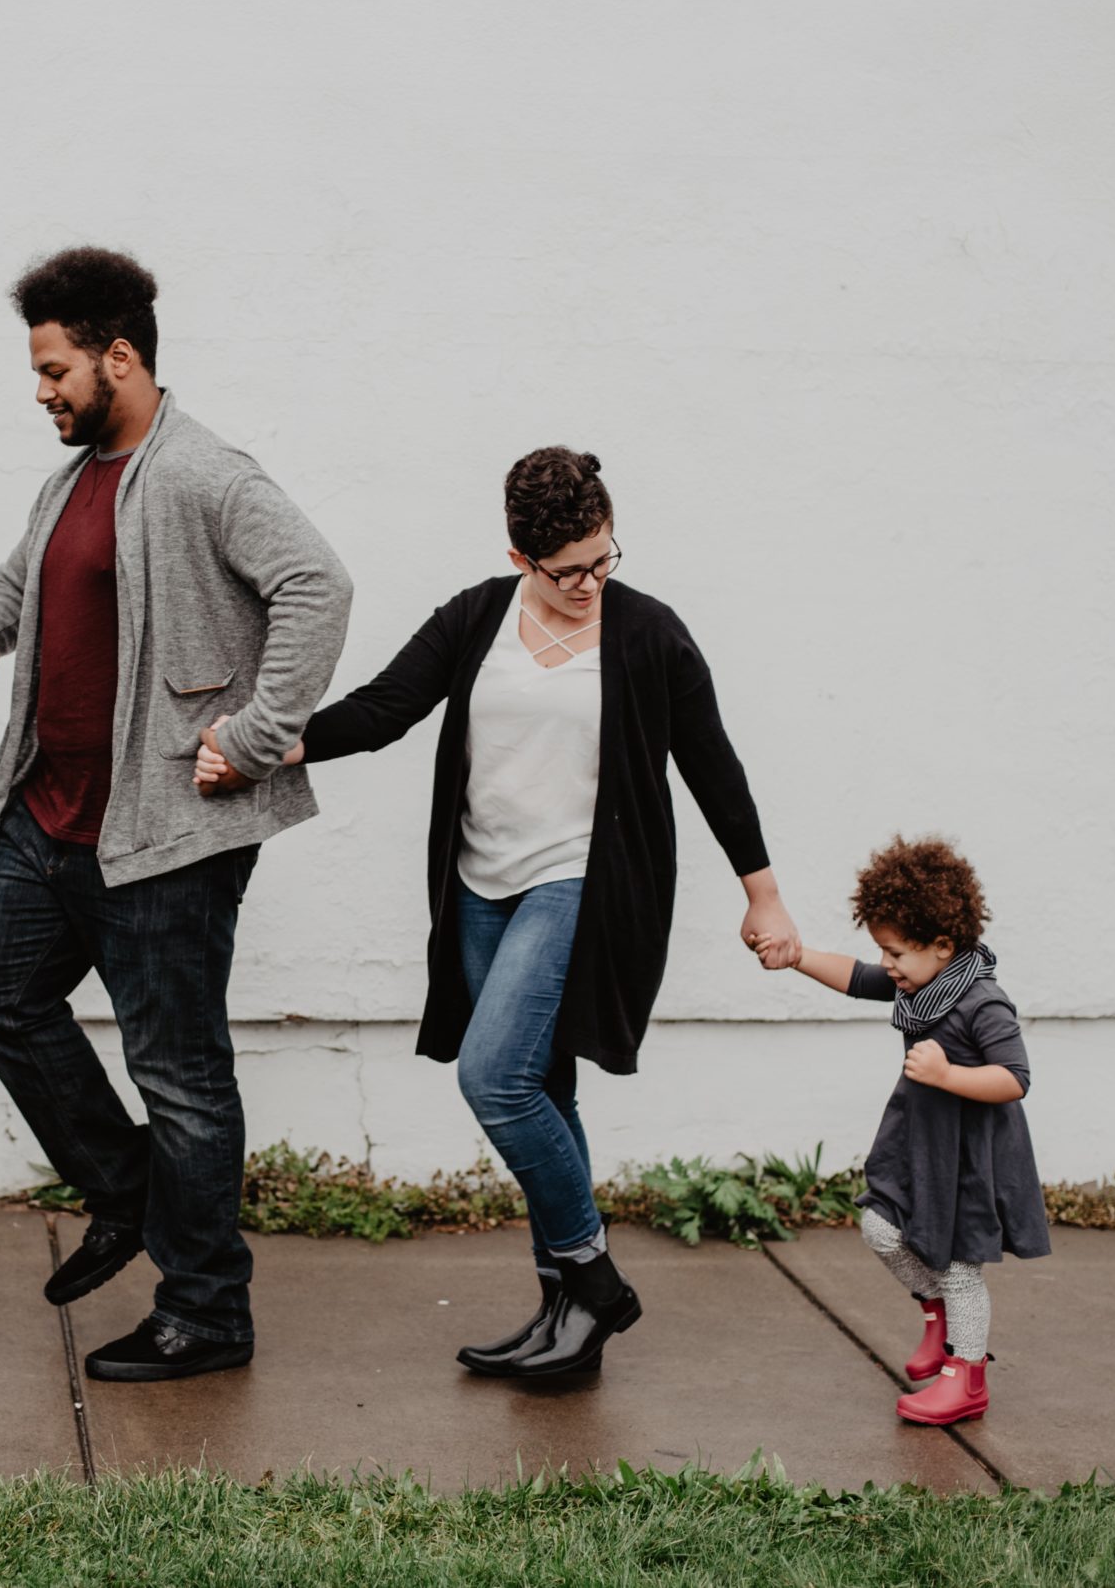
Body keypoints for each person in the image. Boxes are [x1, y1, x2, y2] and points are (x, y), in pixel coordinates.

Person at [197, 447, 801, 1378]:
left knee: (495, 1078)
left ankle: (594, 1280)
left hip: (580, 883)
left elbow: (712, 764)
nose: (591, 583)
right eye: (568, 571)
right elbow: (386, 708)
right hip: (480, 887)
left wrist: (762, 893)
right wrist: (265, 747)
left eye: (605, 560)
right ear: (522, 558)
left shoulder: (649, 634)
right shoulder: (480, 616)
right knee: (544, 1090)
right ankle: (566, 1321)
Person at [0, 247, 351, 1383]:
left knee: (179, 1071)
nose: (41, 390)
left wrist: (256, 734)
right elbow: (19, 581)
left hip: (163, 831)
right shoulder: (70, 480)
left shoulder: (204, 474)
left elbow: (319, 585)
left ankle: (207, 1308)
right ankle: (126, 1193)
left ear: (119, 356)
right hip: (50, 815)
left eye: (55, 367)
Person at [786, 834, 1049, 1425]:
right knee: (881, 1227)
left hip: (968, 1157)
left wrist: (948, 1072)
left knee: (959, 1267)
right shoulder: (919, 981)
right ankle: (937, 1314)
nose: (888, 965)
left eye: (896, 952)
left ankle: (967, 1376)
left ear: (942, 944)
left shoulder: (983, 1001)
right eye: (884, 950)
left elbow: (1015, 1078)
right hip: (920, 1146)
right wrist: (796, 955)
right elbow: (855, 976)